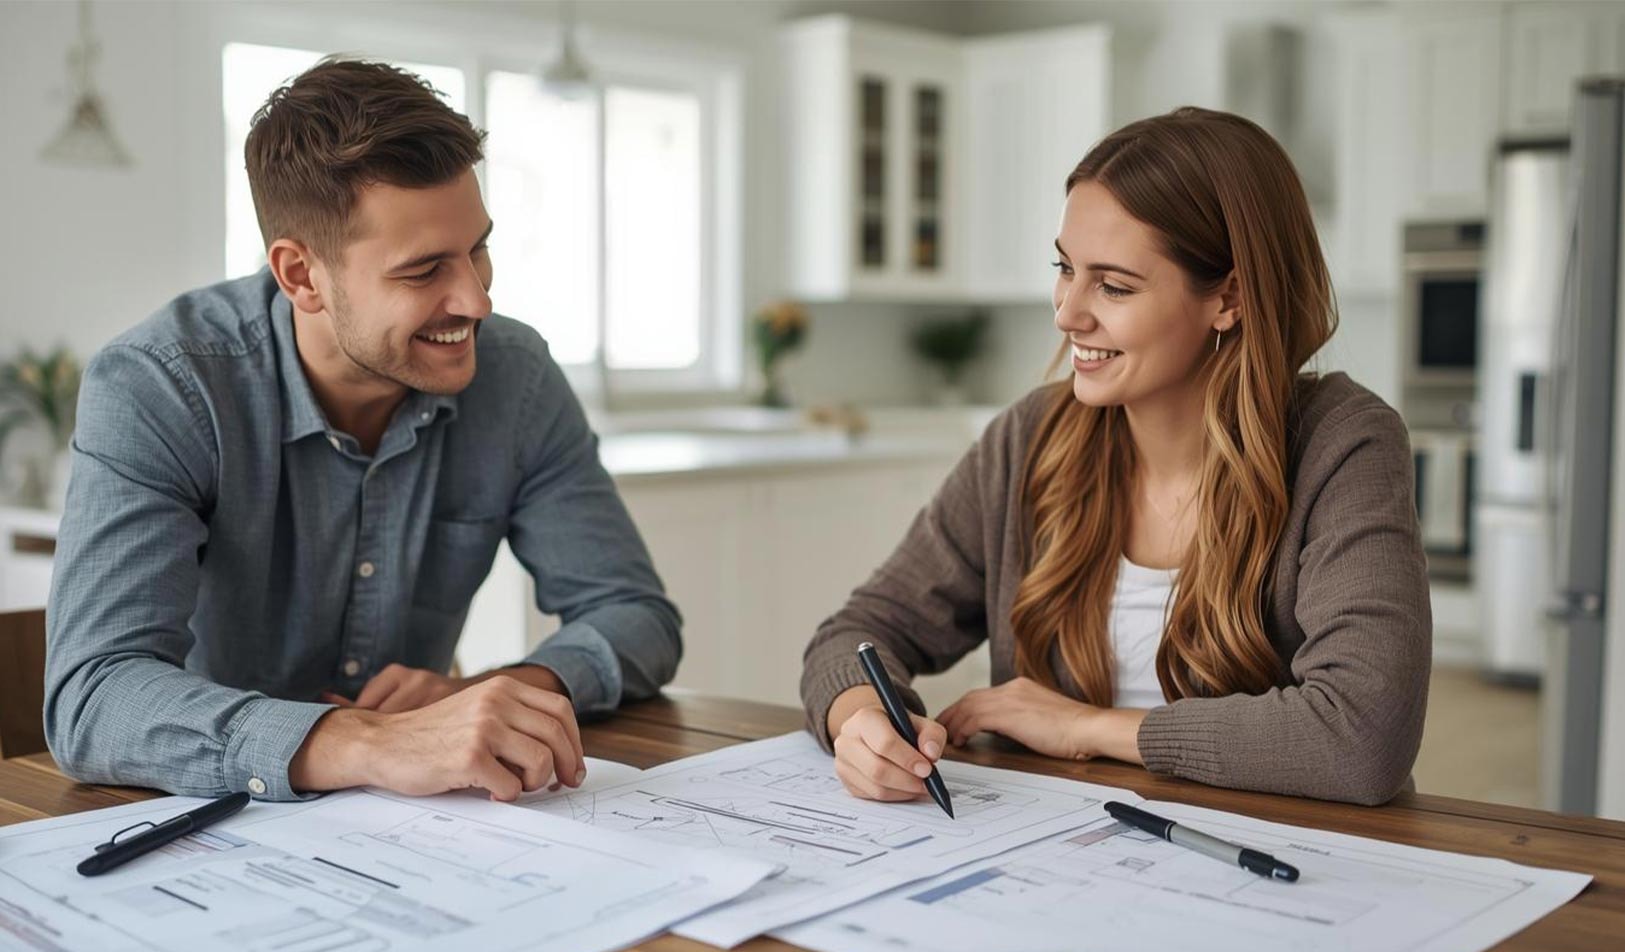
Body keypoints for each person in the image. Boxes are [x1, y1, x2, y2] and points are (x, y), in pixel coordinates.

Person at [44, 59, 681, 803]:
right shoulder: (162, 386)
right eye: (423, 272)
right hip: (197, 818)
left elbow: (636, 616)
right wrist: (368, 743)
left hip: (423, 829)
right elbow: (93, 696)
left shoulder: (517, 376)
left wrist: (490, 696)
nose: (475, 299)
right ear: (301, 276)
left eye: (477, 247)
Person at [802, 107, 1430, 807]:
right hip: (1052, 856)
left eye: (1113, 285)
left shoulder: (1340, 445)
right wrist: (858, 719)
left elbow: (1363, 736)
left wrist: (1089, 728)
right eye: (1064, 269)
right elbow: (857, 633)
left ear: (1228, 297)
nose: (1067, 313)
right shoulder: (1029, 437)